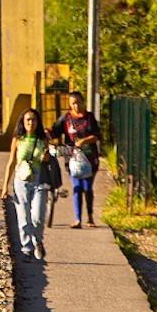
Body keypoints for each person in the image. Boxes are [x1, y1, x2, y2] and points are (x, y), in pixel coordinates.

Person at [51, 90, 102, 228]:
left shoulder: (89, 119)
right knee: (77, 187)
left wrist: (84, 141)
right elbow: (53, 131)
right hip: (72, 159)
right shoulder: (66, 119)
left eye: (78, 102)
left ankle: (90, 216)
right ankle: (78, 219)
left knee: (87, 187)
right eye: (73, 103)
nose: (76, 106)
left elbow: (96, 136)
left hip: (89, 159)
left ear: (83, 102)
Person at [7, 108, 50, 258]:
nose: (31, 123)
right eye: (28, 120)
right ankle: (27, 249)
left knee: (38, 216)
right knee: (23, 217)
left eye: (34, 120)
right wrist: (5, 185)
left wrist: (47, 157)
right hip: (21, 180)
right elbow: (12, 162)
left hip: (39, 180)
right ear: (23, 122)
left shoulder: (43, 139)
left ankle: (38, 241)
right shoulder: (18, 139)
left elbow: (50, 159)